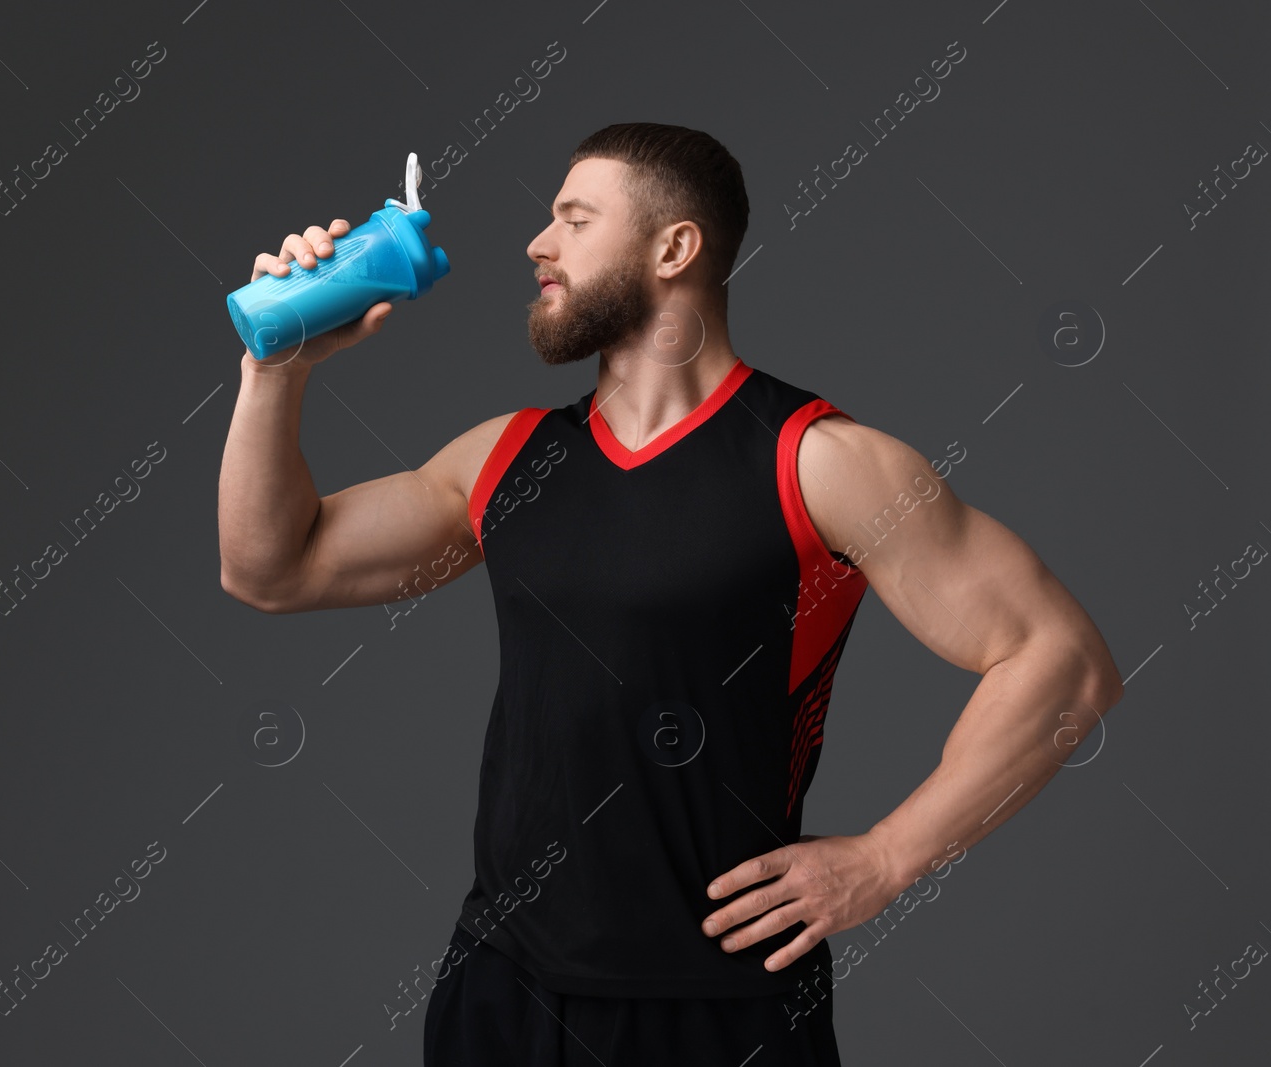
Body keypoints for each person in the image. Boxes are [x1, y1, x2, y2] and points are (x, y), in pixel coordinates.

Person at [218, 122, 1125, 1066]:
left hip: (719, 1011)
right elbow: (270, 567)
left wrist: (888, 856)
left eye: (574, 219)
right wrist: (273, 373)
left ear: (674, 248)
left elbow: (1064, 663)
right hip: (502, 993)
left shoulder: (818, 463)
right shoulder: (506, 459)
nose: (538, 244)